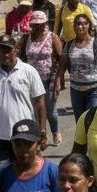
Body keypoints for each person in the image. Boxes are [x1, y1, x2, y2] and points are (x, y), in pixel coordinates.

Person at [0, 35, 47, 175]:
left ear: (16, 50)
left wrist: (42, 130)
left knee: (26, 176)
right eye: (2, 51)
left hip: (25, 137)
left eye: (8, 50)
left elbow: (40, 103)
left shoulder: (29, 71)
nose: (5, 54)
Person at [54, 13, 97, 121]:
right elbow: (62, 66)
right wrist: (59, 80)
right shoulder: (69, 45)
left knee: (92, 120)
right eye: (78, 24)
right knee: (80, 123)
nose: (81, 26)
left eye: (84, 23)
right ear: (74, 27)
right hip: (76, 90)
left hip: (94, 89)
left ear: (89, 26)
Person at [19, 10, 63, 146]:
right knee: (32, 110)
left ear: (45, 24)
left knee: (50, 111)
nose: (36, 28)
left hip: (47, 80)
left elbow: (61, 59)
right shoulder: (26, 38)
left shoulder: (52, 37)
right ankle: (38, 137)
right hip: (30, 81)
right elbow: (21, 57)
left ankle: (55, 131)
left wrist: (57, 81)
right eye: (34, 25)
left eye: (39, 25)